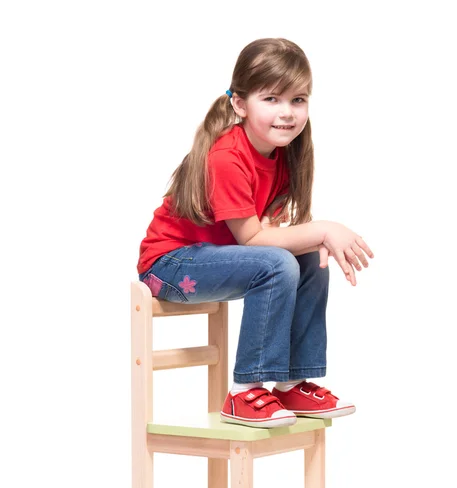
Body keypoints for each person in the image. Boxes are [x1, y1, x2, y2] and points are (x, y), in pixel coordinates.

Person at [137, 38, 374, 429]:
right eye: (272, 99)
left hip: (217, 260)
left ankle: (292, 383)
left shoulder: (283, 156)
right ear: (239, 104)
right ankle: (246, 389)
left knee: (310, 257)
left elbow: (266, 235)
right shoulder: (226, 156)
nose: (287, 113)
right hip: (170, 264)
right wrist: (325, 228)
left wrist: (317, 239)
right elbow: (252, 240)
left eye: (298, 100)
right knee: (282, 259)